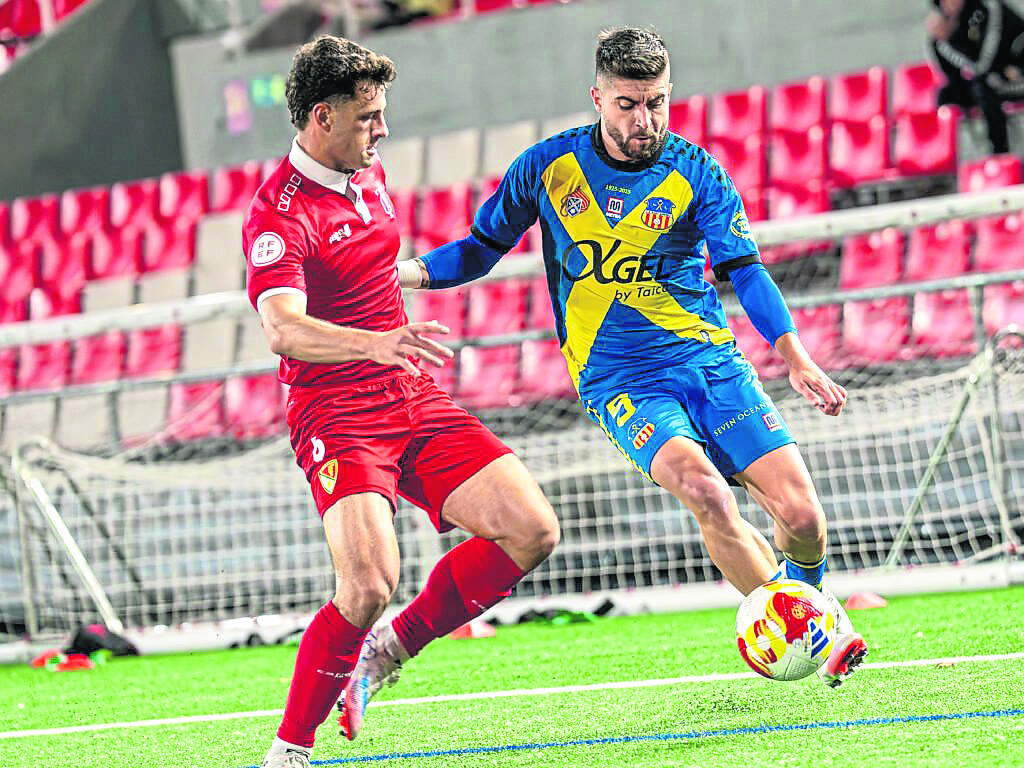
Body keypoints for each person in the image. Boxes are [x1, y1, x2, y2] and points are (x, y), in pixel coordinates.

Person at [391, 25, 868, 695]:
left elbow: (746, 271)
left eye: (656, 102)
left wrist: (794, 355)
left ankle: (807, 599)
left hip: (709, 364)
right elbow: (478, 248)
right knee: (704, 492)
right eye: (627, 104)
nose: (644, 120)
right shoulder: (547, 168)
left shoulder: (696, 171)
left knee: (804, 520)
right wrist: (402, 276)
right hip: (620, 380)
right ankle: (819, 629)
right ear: (597, 98)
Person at [244, 36, 560, 768]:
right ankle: (289, 751)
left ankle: (388, 652)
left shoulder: (366, 175)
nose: (381, 130)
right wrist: (372, 342)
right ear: (322, 118)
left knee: (532, 529)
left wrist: (416, 295)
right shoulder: (277, 214)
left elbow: (375, 271)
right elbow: (282, 328)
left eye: (382, 114)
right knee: (366, 584)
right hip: (337, 412)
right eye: (368, 118)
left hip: (407, 392)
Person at [927, 0, 1024, 154]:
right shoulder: (953, 24)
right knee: (946, 94)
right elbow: (953, 76)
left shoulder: (990, 7)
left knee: (985, 85)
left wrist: (952, 41)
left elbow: (983, 64)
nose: (949, 4)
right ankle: (941, 156)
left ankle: (1000, 152)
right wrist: (943, 41)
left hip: (1016, 73)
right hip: (991, 77)